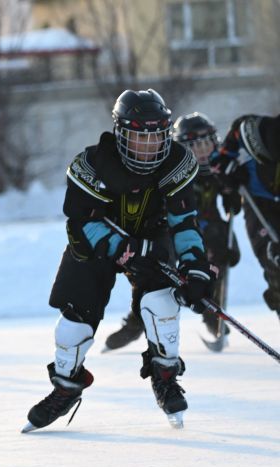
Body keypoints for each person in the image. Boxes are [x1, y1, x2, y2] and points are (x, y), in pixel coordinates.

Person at [23, 89, 212, 432]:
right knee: (72, 327)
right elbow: (82, 221)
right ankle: (66, 386)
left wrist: (195, 266)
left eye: (156, 138)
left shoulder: (177, 164)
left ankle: (165, 375)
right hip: (94, 247)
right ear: (121, 134)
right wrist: (121, 246)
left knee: (162, 305)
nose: (149, 147)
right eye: (140, 139)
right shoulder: (90, 165)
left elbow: (185, 222)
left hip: (153, 242)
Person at [103, 112, 241, 352]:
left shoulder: (218, 170)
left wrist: (232, 194)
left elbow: (224, 202)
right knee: (157, 278)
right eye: (194, 146)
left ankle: (211, 314)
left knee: (216, 262)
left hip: (207, 229)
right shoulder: (178, 172)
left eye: (206, 144)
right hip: (170, 231)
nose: (202, 152)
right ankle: (136, 322)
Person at [210, 112, 280, 324]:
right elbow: (220, 159)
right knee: (274, 260)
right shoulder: (255, 131)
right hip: (259, 202)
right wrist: (227, 174)